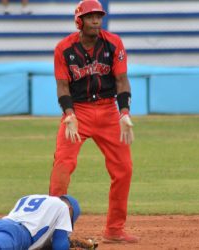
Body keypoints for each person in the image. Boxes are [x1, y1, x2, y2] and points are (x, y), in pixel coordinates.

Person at [49, 0, 138, 244]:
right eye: (90, 17)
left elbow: (121, 80)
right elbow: (62, 86)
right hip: (78, 112)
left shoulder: (113, 43)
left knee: (124, 169)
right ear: (79, 21)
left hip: (109, 111)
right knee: (63, 164)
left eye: (99, 16)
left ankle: (114, 229)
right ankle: (52, 228)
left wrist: (125, 113)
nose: (96, 21)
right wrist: (68, 114)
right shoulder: (64, 49)